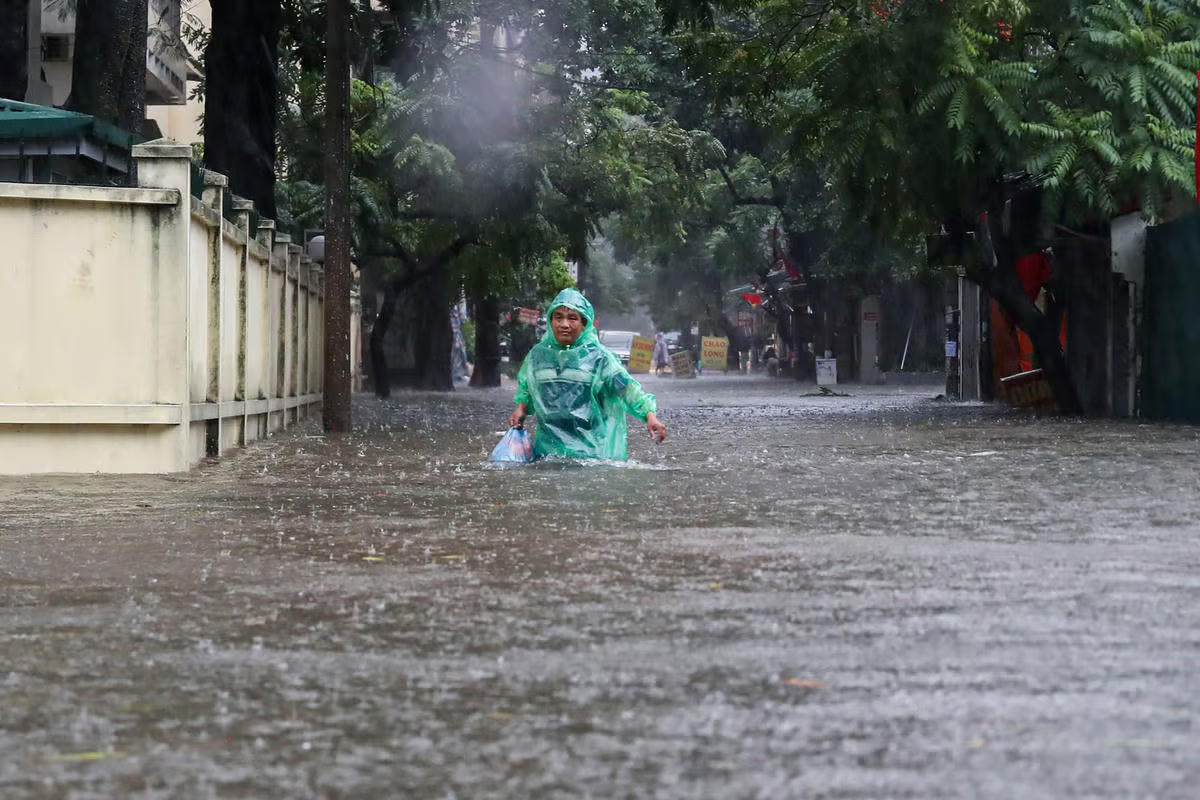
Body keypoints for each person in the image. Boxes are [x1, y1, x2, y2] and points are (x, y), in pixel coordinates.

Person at [508, 289, 667, 460]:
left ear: (585, 324)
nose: (564, 324)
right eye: (558, 317)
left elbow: (627, 389)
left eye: (572, 318)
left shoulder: (600, 358)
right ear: (550, 321)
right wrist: (520, 408)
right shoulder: (537, 356)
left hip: (590, 454)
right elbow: (527, 388)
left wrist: (650, 416)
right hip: (547, 452)